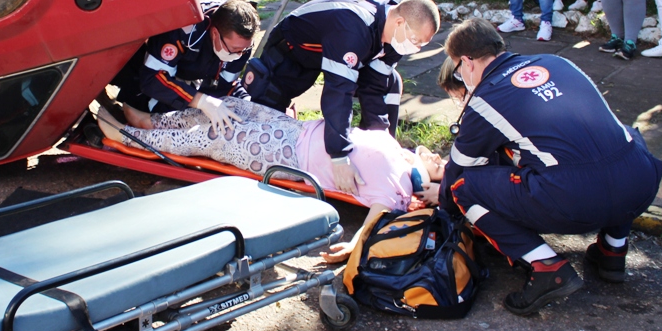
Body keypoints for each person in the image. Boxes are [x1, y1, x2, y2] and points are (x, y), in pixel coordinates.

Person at [441, 18, 662, 315]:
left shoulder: (485, 98)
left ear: (466, 62)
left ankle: (547, 267)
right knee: (622, 138)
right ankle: (613, 249)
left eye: (457, 67)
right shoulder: (559, 62)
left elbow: (459, 167)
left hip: (576, 199)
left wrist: (444, 212)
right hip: (640, 182)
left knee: (464, 189)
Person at [95, 100, 446, 255]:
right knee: (233, 107)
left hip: (285, 154)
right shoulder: (398, 150)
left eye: (441, 167)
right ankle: (151, 121)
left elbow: (377, 216)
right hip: (297, 129)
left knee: (215, 136)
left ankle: (125, 135)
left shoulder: (398, 186)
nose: (438, 157)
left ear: (429, 190)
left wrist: (353, 245)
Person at [244, 0, 440, 193]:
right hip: (292, 48)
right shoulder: (354, 29)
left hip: (327, 48)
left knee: (392, 82)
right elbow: (338, 93)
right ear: (400, 22)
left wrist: (382, 146)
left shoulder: (395, 38)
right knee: (268, 106)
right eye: (415, 40)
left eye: (421, 45)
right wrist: (339, 157)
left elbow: (374, 89)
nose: (415, 48)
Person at [113, 0, 259, 123]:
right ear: (215, 33)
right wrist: (201, 101)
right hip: (146, 70)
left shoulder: (241, 43)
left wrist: (245, 102)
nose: (239, 55)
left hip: (194, 73)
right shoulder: (184, 28)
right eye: (234, 50)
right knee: (147, 107)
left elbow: (225, 85)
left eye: (244, 50)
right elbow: (151, 79)